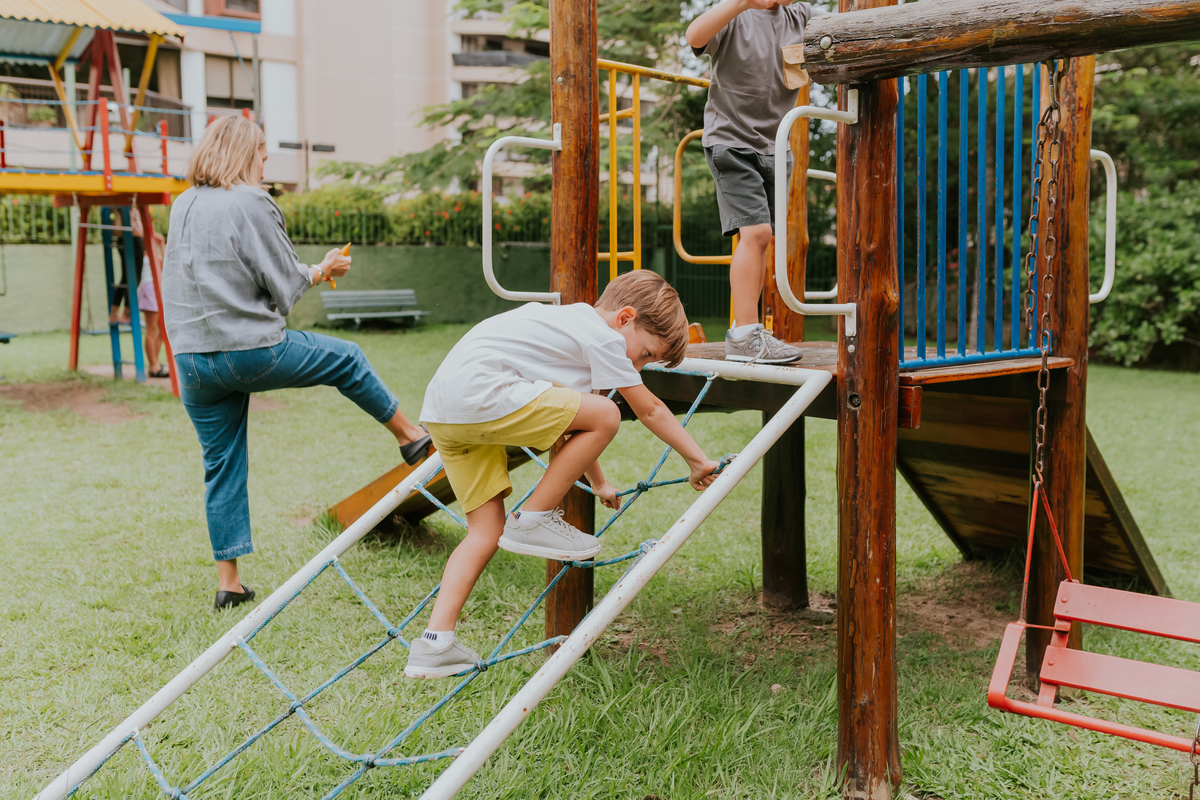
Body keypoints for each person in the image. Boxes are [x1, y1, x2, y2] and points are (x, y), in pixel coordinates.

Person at [163, 115, 432, 611]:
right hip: (247, 351)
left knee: (221, 465)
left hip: (191, 363)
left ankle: (230, 584)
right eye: (262, 153)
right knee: (347, 358)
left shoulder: (183, 204)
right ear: (244, 153)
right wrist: (322, 269)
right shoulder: (251, 200)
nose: (265, 163)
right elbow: (283, 284)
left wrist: (311, 270)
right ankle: (411, 437)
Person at [404, 270, 720, 679]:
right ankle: (532, 518)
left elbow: (573, 425)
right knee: (610, 413)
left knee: (485, 530)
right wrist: (697, 460)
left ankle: (435, 643)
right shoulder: (604, 337)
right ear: (625, 318)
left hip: (446, 413)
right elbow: (650, 409)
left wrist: (599, 482)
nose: (639, 366)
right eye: (645, 354)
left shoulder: (565, 330)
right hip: (483, 393)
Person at [686, 0, 818, 364]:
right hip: (731, 142)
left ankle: (746, 328)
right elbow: (694, 36)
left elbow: (846, 32)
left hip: (776, 146)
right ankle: (744, 333)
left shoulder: (801, 17)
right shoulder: (735, 15)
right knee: (757, 233)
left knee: (763, 238)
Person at [136, 224, 170, 378]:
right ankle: (153, 365)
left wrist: (162, 246)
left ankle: (155, 363)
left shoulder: (153, 253)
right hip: (149, 289)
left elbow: (165, 266)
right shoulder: (142, 252)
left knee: (161, 330)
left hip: (157, 290)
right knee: (152, 329)